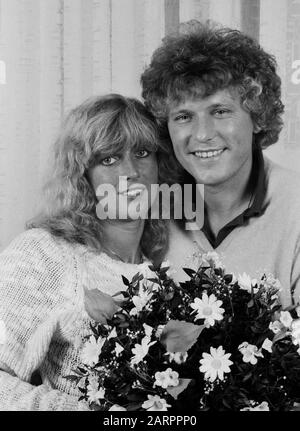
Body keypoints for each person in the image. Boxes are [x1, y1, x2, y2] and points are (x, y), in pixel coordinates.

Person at [0, 94, 179, 410]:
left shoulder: (167, 268)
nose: (131, 172)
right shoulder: (44, 252)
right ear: (81, 175)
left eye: (142, 153)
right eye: (108, 159)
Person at [141, 21, 300, 308]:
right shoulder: (150, 206)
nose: (202, 134)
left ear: (258, 117)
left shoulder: (295, 209)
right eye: (183, 116)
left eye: (221, 111)